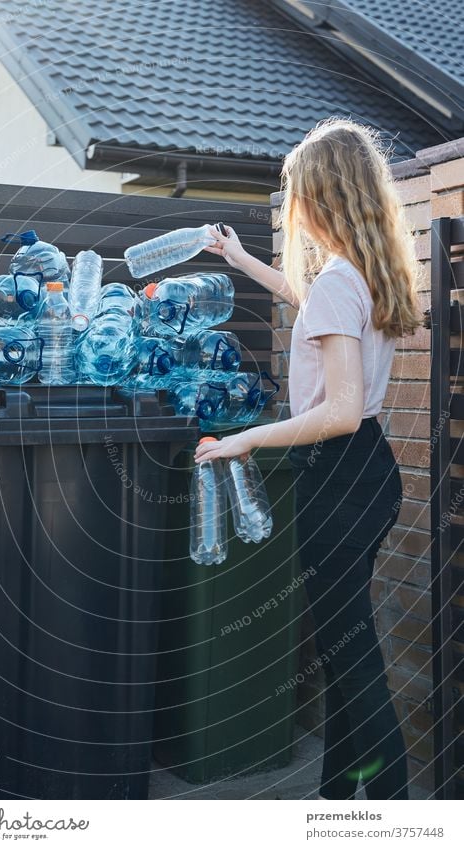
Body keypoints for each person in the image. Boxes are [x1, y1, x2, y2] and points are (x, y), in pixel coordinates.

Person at [194, 117, 421, 800]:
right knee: (343, 642)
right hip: (368, 469)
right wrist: (238, 259)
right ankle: (336, 795)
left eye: (295, 192)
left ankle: (392, 812)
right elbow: (304, 299)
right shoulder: (363, 276)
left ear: (318, 198)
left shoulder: (337, 283)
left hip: (338, 470)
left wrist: (246, 438)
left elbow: (339, 410)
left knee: (349, 656)